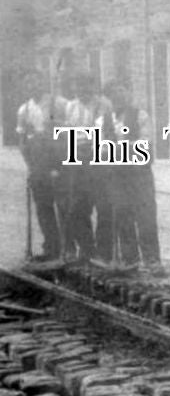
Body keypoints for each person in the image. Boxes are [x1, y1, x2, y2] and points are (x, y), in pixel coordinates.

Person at [103, 78, 165, 275]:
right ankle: (130, 259)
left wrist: (117, 147)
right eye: (113, 94)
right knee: (122, 214)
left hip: (139, 174)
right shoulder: (104, 119)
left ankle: (152, 259)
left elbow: (144, 145)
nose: (117, 97)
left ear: (128, 93)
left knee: (145, 216)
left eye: (121, 91)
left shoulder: (141, 116)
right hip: (117, 175)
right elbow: (102, 148)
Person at [16, 68, 67, 262]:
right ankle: (51, 247)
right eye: (28, 82)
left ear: (42, 82)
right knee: (43, 207)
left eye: (35, 81)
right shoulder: (25, 109)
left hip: (59, 160)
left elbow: (69, 131)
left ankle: (68, 248)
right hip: (38, 164)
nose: (32, 85)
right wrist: (30, 165)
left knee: (64, 205)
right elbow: (22, 140)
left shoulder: (59, 103)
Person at [62, 72, 114, 263]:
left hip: (98, 157)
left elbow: (105, 131)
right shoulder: (70, 106)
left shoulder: (103, 104)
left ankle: (104, 253)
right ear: (74, 88)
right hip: (78, 159)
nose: (82, 90)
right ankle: (87, 249)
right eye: (78, 86)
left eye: (86, 86)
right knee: (78, 207)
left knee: (103, 207)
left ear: (93, 87)